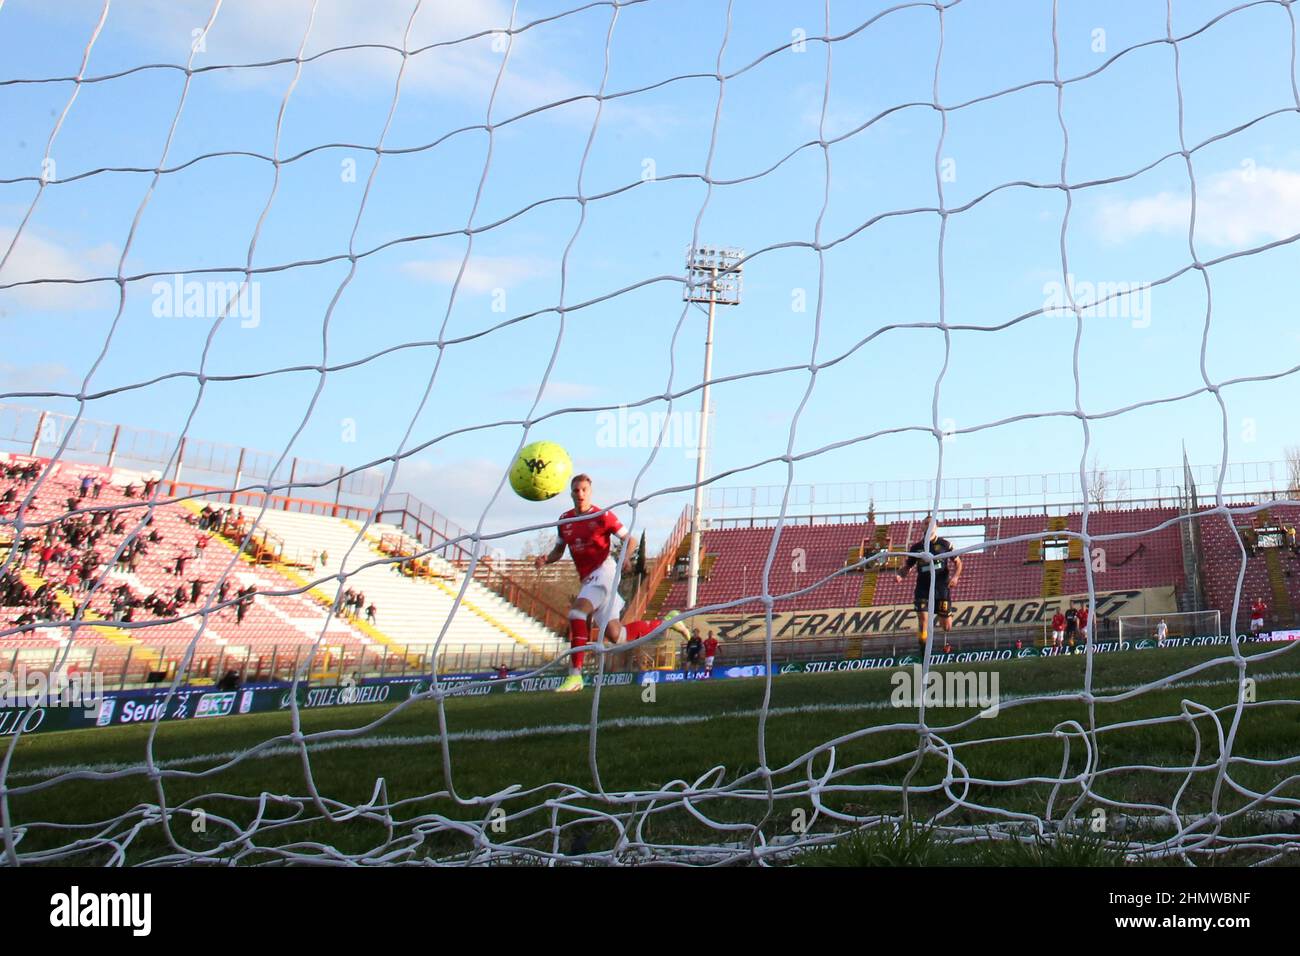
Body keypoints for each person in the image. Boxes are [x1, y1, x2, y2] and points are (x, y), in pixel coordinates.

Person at [534, 474, 633, 693]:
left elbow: (629, 538)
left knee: (577, 614)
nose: (580, 494)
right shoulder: (565, 520)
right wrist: (545, 560)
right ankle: (667, 622)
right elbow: (559, 551)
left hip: (604, 571)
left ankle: (575, 676)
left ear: (590, 491)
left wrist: (626, 556)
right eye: (576, 490)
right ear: (571, 493)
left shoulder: (602, 515)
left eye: (584, 490)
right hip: (588, 578)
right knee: (617, 635)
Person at [897, 516, 962, 657]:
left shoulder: (945, 544)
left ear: (936, 526)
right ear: (922, 527)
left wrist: (955, 577)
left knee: (946, 627)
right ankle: (924, 650)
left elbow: (958, 562)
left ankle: (945, 616)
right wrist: (900, 575)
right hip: (923, 588)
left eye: (931, 523)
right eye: (925, 523)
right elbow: (907, 567)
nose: (928, 525)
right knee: (923, 618)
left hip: (941, 589)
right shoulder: (916, 548)